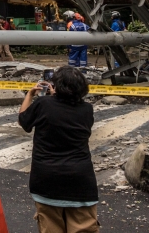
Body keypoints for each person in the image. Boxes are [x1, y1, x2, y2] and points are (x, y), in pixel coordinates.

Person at [18, 66, 99, 233]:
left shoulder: (43, 104)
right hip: (80, 182)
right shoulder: (87, 110)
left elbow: (23, 121)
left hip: (46, 180)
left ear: (55, 86)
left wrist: (30, 94)